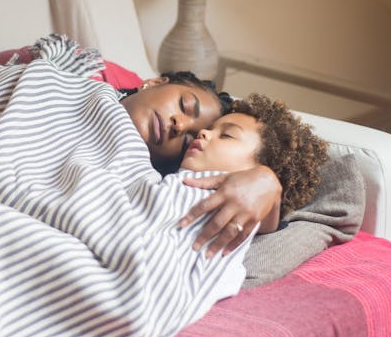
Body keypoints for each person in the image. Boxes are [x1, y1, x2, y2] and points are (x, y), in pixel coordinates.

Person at [117, 72, 284, 258]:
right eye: (184, 105)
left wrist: (267, 180)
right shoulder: (87, 89)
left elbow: (266, 224)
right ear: (154, 83)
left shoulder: (163, 181)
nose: (179, 126)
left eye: (187, 140)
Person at [177, 93, 329, 256]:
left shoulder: (256, 210)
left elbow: (266, 220)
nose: (203, 132)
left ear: (259, 168)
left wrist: (268, 180)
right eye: (210, 128)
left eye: (226, 135)